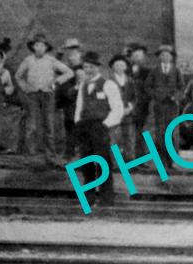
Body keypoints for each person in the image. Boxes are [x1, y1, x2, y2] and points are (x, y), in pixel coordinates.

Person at [73, 51, 125, 209]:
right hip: (85, 127)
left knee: (102, 162)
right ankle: (88, 199)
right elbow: (79, 107)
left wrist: (106, 124)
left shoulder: (108, 84)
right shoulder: (83, 85)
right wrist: (78, 123)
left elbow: (118, 108)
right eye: (85, 67)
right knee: (86, 163)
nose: (87, 70)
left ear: (97, 67)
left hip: (100, 127)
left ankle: (106, 198)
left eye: (90, 67)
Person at [14, 33, 75, 160]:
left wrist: (57, 82)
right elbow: (18, 76)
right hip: (32, 95)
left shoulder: (51, 60)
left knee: (49, 124)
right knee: (31, 125)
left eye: (42, 45)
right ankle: (30, 155)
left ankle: (50, 155)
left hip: (48, 95)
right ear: (33, 47)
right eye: (37, 45)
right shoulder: (28, 60)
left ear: (46, 48)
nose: (40, 48)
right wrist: (25, 87)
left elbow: (69, 72)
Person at [145, 44, 185, 150]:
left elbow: (182, 87)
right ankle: (161, 160)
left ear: (171, 57)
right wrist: (155, 95)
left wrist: (175, 97)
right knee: (159, 131)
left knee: (170, 130)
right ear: (159, 57)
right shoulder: (154, 70)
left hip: (172, 105)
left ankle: (170, 160)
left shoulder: (176, 70)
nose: (165, 57)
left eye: (167, 55)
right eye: (162, 55)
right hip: (159, 104)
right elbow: (147, 86)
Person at [54, 38, 85, 158]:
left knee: (75, 127)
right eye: (69, 52)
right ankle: (69, 153)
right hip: (67, 102)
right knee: (69, 126)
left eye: (74, 52)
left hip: (77, 102)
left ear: (79, 54)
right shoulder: (67, 68)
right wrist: (59, 54)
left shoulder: (82, 69)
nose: (71, 56)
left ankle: (76, 154)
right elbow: (55, 67)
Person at [108, 52, 137, 156]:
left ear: (125, 67)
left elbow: (134, 97)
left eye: (122, 65)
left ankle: (128, 161)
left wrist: (130, 107)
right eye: (117, 65)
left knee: (128, 137)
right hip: (114, 113)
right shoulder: (109, 81)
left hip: (127, 113)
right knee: (113, 138)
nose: (119, 67)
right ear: (113, 67)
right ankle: (114, 161)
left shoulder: (130, 81)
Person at [126, 43, 152, 154]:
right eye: (135, 56)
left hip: (141, 107)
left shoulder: (147, 72)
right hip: (126, 107)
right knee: (126, 132)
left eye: (140, 56)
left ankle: (139, 158)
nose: (137, 59)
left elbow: (149, 89)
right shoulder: (124, 71)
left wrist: (144, 100)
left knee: (140, 132)